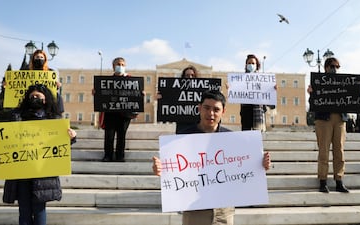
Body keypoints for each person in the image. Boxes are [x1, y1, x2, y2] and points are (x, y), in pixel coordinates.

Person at [152, 90, 271, 225]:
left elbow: (244, 169)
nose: (211, 113)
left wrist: (261, 165)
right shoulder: (183, 137)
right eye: (207, 108)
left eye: (216, 109)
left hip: (223, 211)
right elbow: (174, 170)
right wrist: (161, 169)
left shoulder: (232, 139)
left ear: (223, 111)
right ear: (199, 108)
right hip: (194, 211)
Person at [0, 84, 77, 225]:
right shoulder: (17, 117)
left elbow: (60, 145)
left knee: (39, 210)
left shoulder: (53, 119)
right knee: (24, 211)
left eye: (38, 97)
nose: (34, 99)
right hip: (21, 172)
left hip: (43, 173)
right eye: (32, 96)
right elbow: (4, 138)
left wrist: (71, 137)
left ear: (45, 100)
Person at [308, 57, 360, 193]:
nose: (335, 69)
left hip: (340, 118)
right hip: (323, 119)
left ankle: (339, 179)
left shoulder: (344, 82)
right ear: (326, 67)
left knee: (339, 150)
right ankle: (323, 181)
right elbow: (313, 103)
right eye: (333, 66)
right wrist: (311, 93)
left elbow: (353, 100)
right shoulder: (318, 82)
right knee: (324, 150)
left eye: (337, 67)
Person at [98, 57, 137, 162]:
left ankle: (120, 156)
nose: (120, 66)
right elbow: (102, 95)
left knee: (121, 135)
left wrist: (141, 95)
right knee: (109, 135)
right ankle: (108, 156)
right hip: (110, 113)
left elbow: (136, 94)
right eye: (118, 64)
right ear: (113, 66)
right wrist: (96, 93)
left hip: (125, 114)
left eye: (123, 65)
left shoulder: (131, 80)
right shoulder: (106, 82)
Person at [240, 54, 275, 131]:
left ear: (257, 65)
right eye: (249, 63)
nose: (251, 65)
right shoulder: (240, 79)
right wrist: (230, 88)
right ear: (246, 65)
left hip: (258, 113)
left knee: (258, 139)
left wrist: (273, 91)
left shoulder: (262, 80)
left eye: (253, 63)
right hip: (246, 113)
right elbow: (236, 94)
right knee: (246, 138)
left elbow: (269, 99)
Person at [28, 49, 65, 115]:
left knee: (58, 97)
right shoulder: (26, 72)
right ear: (33, 59)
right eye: (37, 57)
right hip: (31, 94)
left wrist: (57, 85)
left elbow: (52, 87)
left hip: (46, 95)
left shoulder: (50, 72)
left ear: (45, 59)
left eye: (41, 57)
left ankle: (58, 115)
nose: (39, 59)